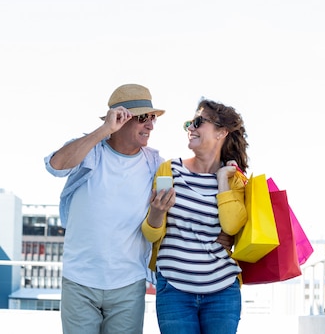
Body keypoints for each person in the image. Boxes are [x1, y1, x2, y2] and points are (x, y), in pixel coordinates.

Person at [44, 83, 168, 334]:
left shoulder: (154, 163)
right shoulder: (89, 151)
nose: (151, 125)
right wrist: (103, 131)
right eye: (144, 118)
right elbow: (55, 166)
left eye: (153, 118)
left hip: (128, 284)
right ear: (120, 119)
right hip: (80, 282)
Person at [141, 97, 250, 334]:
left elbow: (231, 227)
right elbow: (151, 234)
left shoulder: (234, 179)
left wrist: (222, 179)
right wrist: (157, 212)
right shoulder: (170, 169)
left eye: (199, 122)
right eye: (189, 123)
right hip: (174, 291)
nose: (191, 127)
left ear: (221, 132)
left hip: (222, 292)